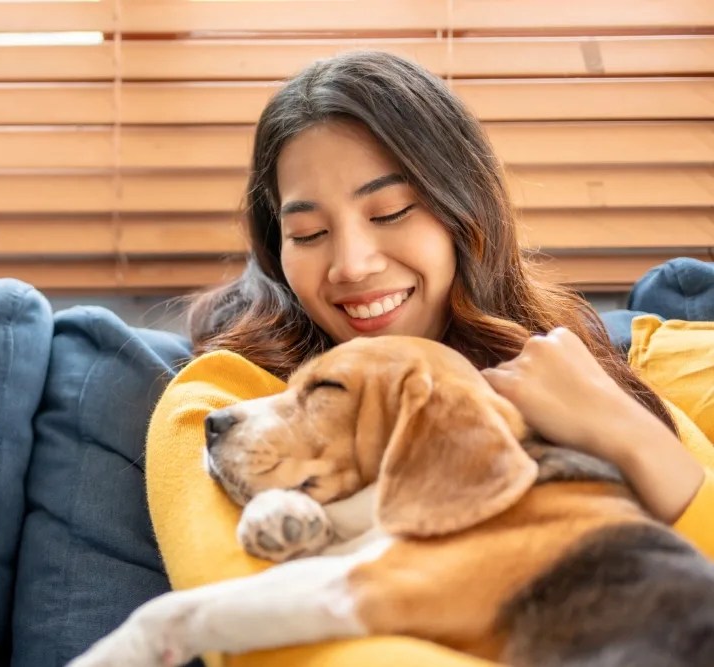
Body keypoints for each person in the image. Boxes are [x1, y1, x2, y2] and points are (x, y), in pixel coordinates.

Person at [144, 50, 714, 666]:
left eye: (390, 212)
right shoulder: (222, 401)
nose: (352, 265)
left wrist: (624, 429)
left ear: (464, 211)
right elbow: (258, 630)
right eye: (308, 233)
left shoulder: (570, 372)